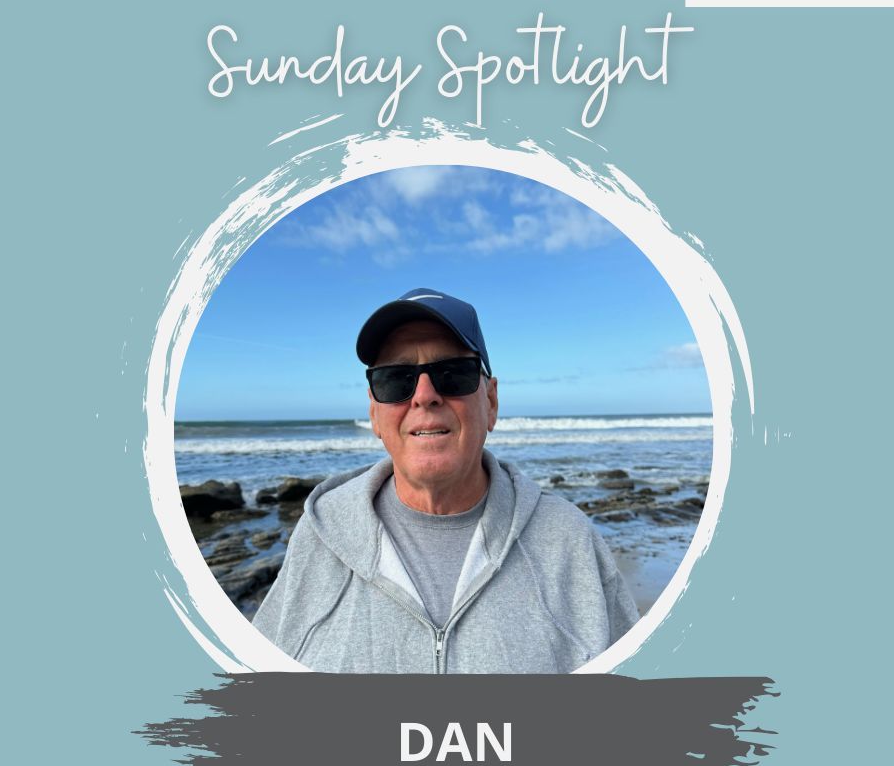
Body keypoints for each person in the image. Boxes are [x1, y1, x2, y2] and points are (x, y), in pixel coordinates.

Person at [253, 288, 640, 673]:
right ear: (374, 413)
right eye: (395, 379)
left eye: (452, 374)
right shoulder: (319, 537)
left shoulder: (568, 540)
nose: (424, 396)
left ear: (490, 402)